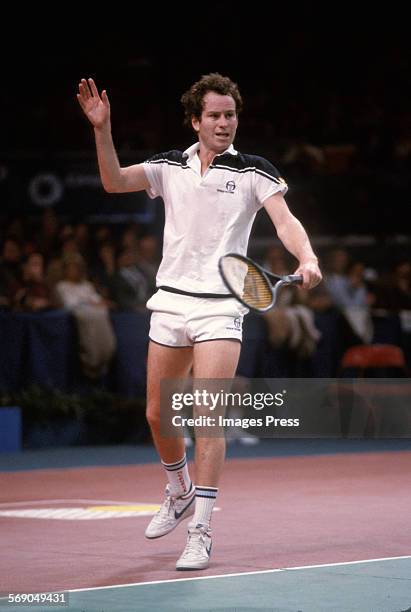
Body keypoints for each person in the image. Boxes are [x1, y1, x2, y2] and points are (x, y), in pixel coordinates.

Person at [77, 73, 322, 570]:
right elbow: (113, 181)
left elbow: (286, 221)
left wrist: (308, 256)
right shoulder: (169, 165)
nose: (224, 123)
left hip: (221, 304)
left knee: (207, 416)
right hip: (169, 301)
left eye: (230, 115)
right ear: (195, 120)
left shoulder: (255, 171)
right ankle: (179, 488)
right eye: (214, 115)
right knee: (156, 415)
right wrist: (101, 129)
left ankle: (202, 528)